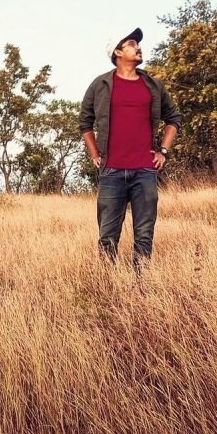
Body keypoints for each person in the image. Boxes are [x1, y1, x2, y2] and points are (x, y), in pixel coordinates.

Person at [78, 27, 180, 269]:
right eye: (132, 43)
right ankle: (107, 286)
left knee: (144, 236)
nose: (138, 47)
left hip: (145, 171)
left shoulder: (153, 85)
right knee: (107, 238)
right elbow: (85, 121)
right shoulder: (100, 84)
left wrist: (162, 151)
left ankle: (141, 287)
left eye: (137, 44)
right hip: (111, 171)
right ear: (117, 51)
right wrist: (95, 154)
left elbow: (173, 119)